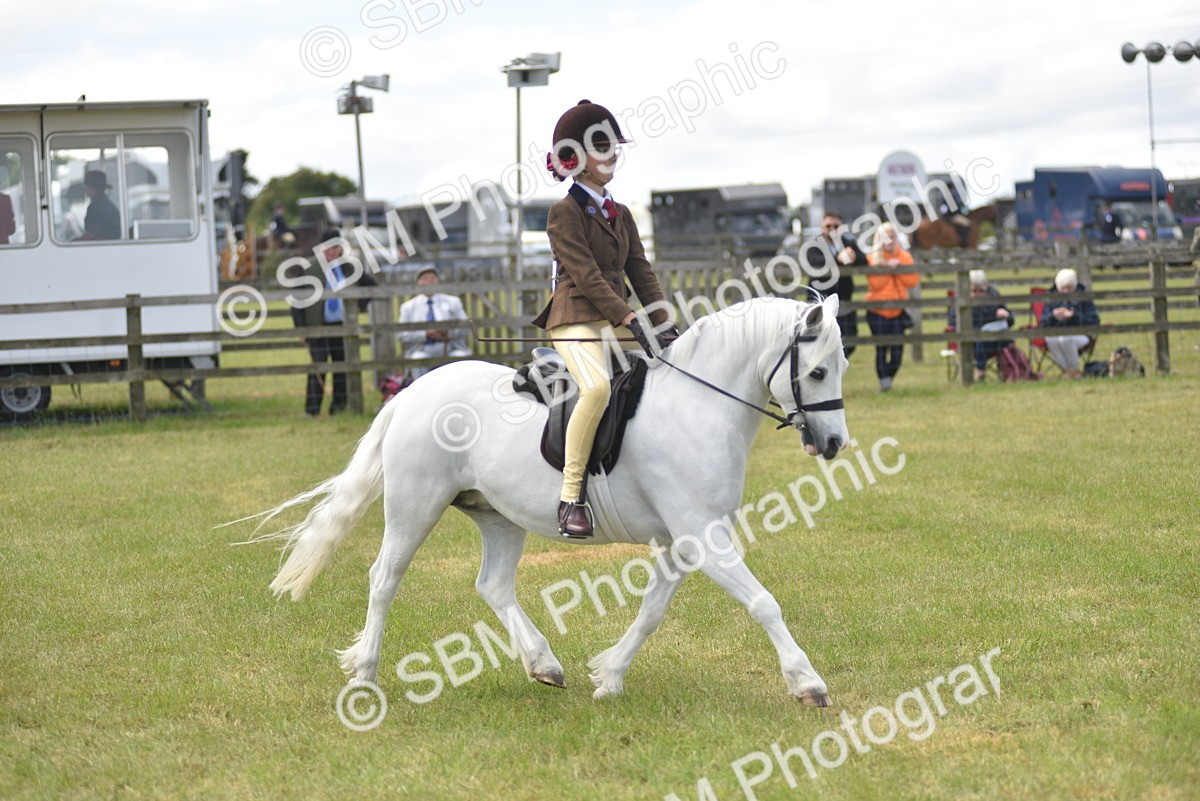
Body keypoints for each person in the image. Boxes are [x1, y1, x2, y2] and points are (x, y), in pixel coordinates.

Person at [532, 99, 675, 539]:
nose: (612, 153)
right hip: (574, 317)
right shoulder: (564, 212)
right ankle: (571, 495)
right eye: (601, 146)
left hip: (615, 319)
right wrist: (628, 315)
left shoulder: (622, 213)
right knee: (595, 389)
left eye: (614, 145)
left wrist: (663, 321)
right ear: (575, 157)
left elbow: (641, 271)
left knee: (671, 367)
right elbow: (587, 275)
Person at [290, 229, 356, 415]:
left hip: (341, 326)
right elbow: (297, 300)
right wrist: (301, 330)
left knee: (341, 366)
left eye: (336, 248)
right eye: (328, 248)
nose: (332, 252)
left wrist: (359, 306)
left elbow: (369, 286)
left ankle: (339, 406)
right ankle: (312, 410)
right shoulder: (308, 267)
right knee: (318, 366)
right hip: (317, 326)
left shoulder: (348, 267)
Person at [864, 222, 919, 391]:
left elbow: (912, 281)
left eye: (892, 236)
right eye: (885, 237)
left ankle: (888, 379)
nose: (889, 240)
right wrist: (888, 268)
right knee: (881, 348)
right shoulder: (872, 258)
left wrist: (898, 268)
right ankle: (884, 384)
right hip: (877, 311)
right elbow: (876, 284)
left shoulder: (904, 257)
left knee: (897, 351)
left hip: (898, 311)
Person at [804, 211, 866, 358]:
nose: (832, 229)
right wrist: (838, 258)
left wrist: (853, 257)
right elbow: (814, 261)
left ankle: (837, 362)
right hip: (820, 301)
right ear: (822, 227)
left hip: (843, 300)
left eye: (836, 226)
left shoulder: (848, 243)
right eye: (828, 226)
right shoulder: (814, 244)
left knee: (850, 338)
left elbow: (864, 259)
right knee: (821, 339)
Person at [397, 266, 470, 379]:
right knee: (418, 359)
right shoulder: (408, 307)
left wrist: (447, 332)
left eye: (433, 278)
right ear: (419, 283)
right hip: (422, 348)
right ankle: (423, 390)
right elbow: (402, 335)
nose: (430, 281)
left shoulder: (453, 302)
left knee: (460, 357)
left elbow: (465, 327)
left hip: (451, 346)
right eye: (425, 278)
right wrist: (425, 334)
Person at [948, 269, 1012, 381]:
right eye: (974, 291)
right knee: (980, 338)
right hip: (971, 338)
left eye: (981, 291)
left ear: (986, 287)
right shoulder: (960, 299)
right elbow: (952, 323)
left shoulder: (994, 296)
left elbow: (1011, 320)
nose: (977, 295)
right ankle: (980, 370)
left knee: (1000, 338)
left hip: (993, 339)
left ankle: (1007, 372)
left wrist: (1005, 316)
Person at [1039, 268, 1099, 379]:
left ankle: (1074, 369)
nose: (1066, 291)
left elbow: (1094, 320)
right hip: (1057, 334)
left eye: (1069, 288)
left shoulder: (1083, 296)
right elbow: (1043, 323)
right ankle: (1068, 371)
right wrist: (1053, 316)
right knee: (1051, 339)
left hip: (1081, 335)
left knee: (1066, 339)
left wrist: (1073, 316)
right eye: (1063, 288)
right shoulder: (1051, 297)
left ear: (1075, 286)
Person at [79, 171, 120, 241]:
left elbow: (92, 233)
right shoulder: (107, 205)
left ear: (93, 188)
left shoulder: (95, 208)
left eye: (86, 188)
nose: (85, 191)